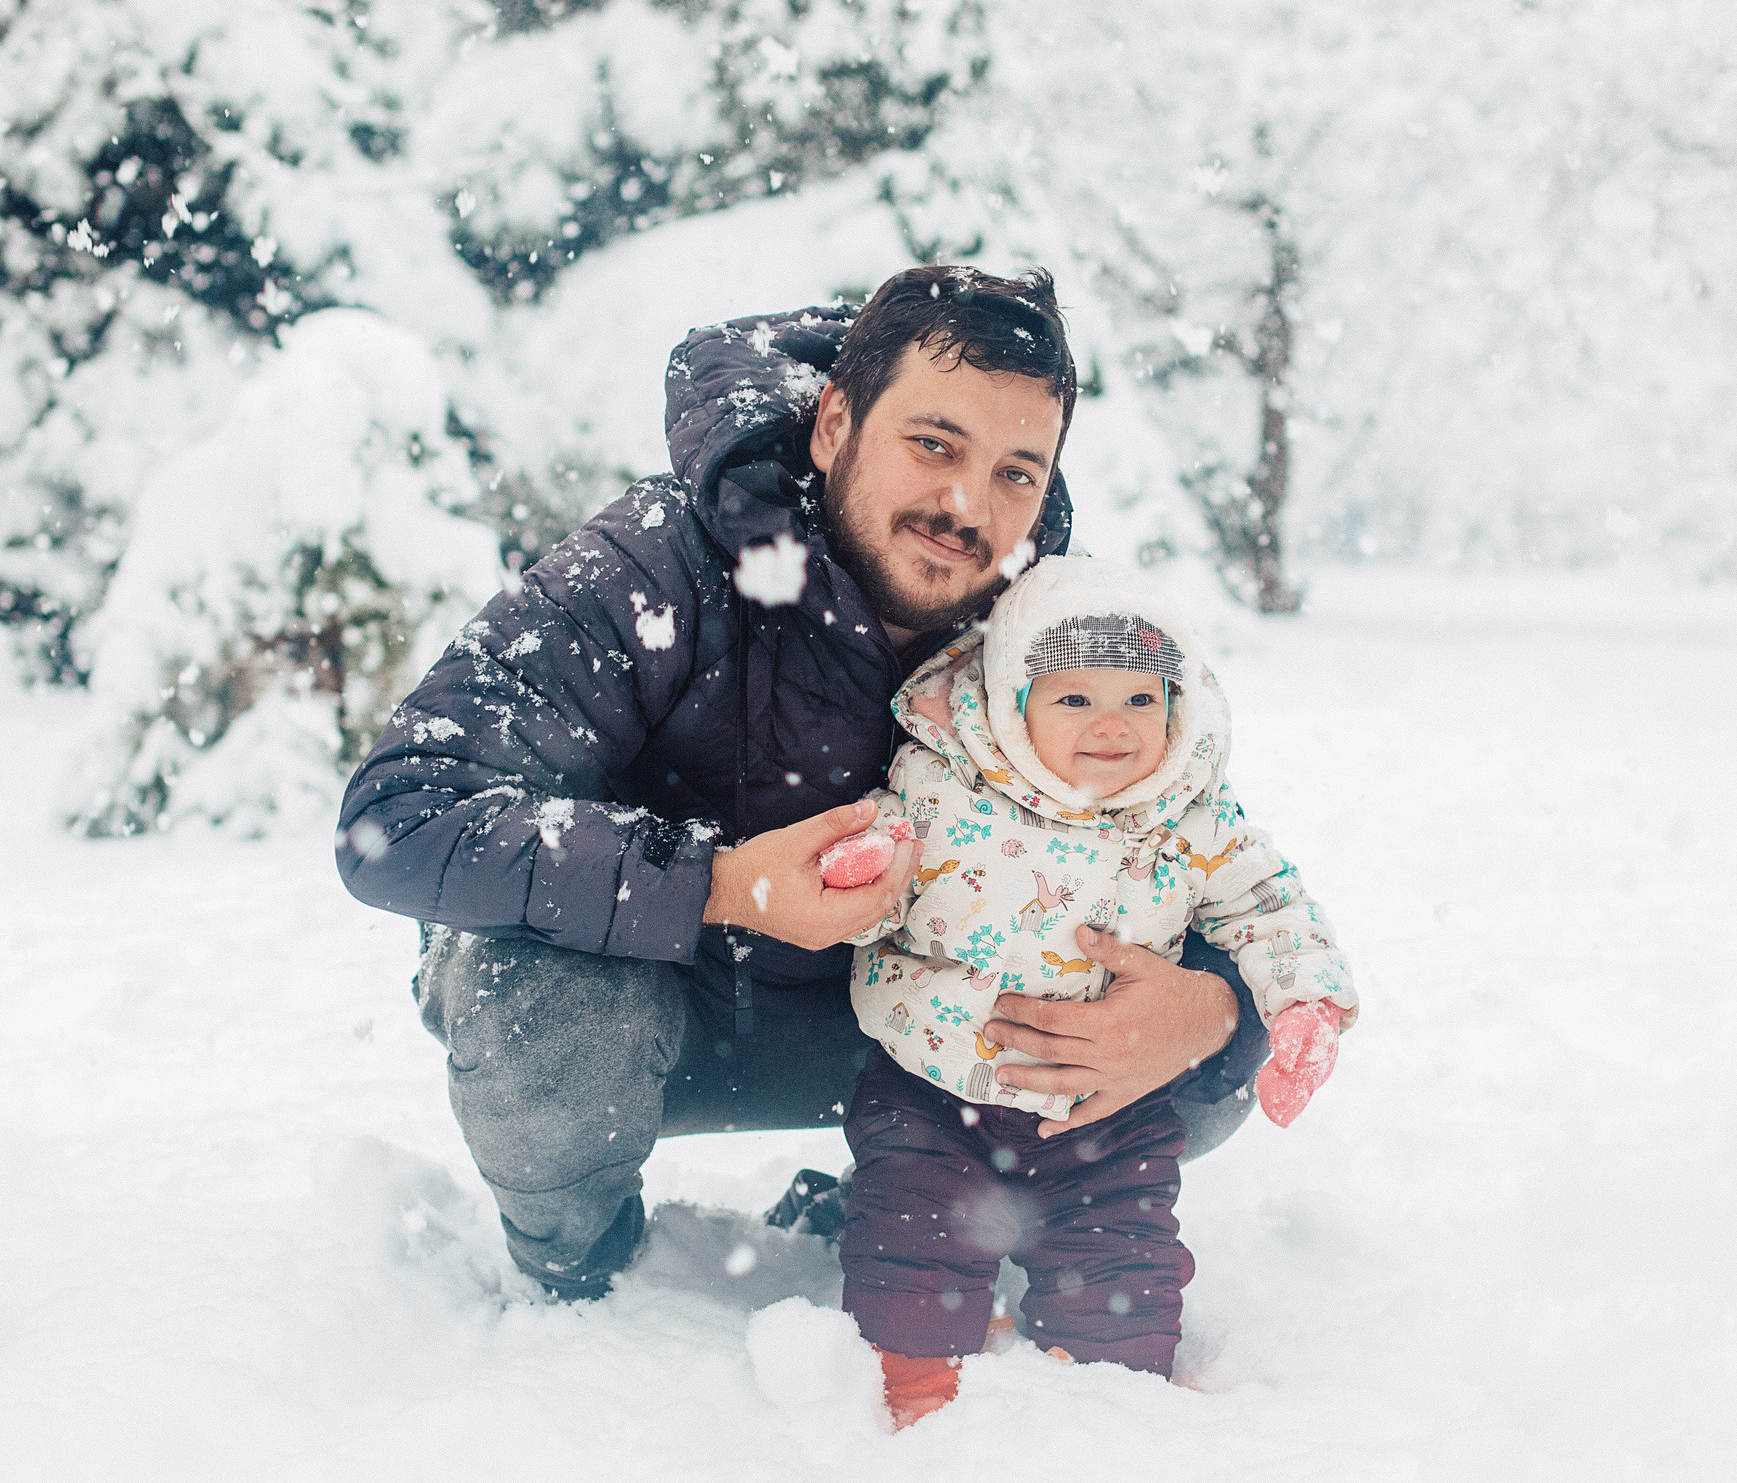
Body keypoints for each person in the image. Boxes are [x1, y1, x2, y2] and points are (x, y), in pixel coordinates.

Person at [334, 267, 1274, 1301]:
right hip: (658, 1009)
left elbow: (1212, 861)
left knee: (1192, 1056)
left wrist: (1217, 1013)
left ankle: (916, 1197)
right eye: (933, 445)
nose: (969, 506)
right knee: (532, 994)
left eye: (1017, 472)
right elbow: (399, 815)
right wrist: (723, 886)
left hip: (913, 1030)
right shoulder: (656, 562)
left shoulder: (1055, 627)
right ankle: (586, 1276)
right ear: (834, 425)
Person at [834, 556, 1358, 1423]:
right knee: (911, 1251)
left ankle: (1107, 1403)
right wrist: (857, 874)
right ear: (1011, 703)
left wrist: (1305, 1002)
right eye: (1075, 698)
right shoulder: (943, 783)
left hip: (1109, 1113)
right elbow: (872, 875)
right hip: (932, 1096)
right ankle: (914, 1394)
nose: (1112, 725)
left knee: (1125, 1277)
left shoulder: (1192, 812)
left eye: (1140, 699)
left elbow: (1269, 905)